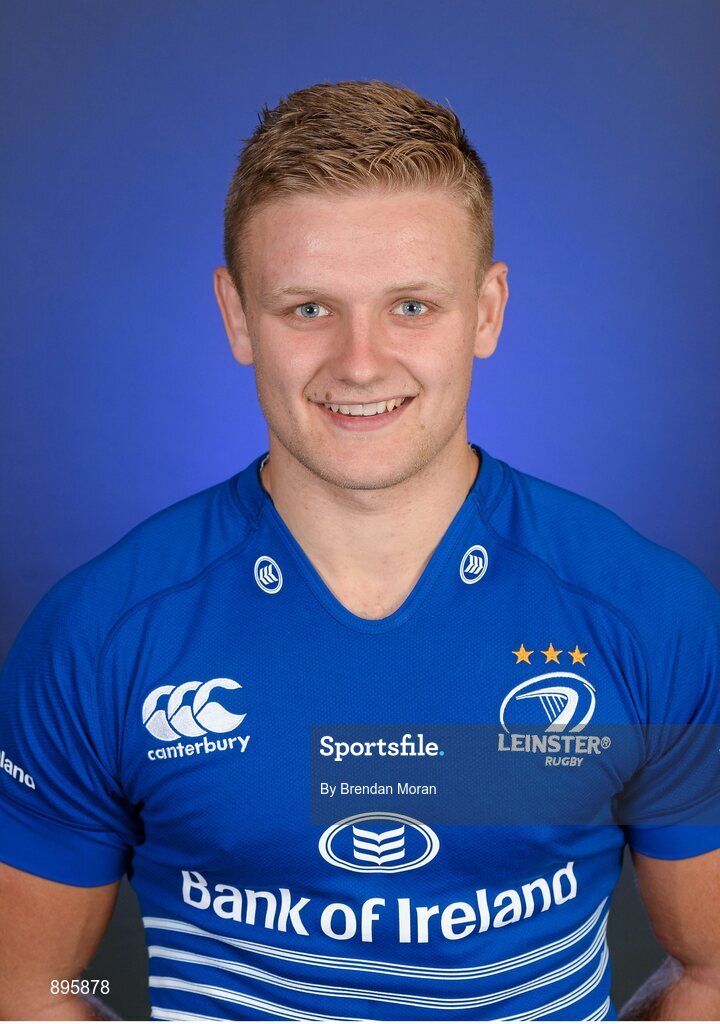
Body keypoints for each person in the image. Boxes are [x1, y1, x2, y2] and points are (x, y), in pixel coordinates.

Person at [0, 78, 718, 1023]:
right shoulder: (98, 636)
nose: (361, 362)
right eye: (308, 309)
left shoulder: (652, 617)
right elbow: (34, 992)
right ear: (236, 315)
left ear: (488, 310)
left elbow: (711, 972)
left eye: (412, 306)